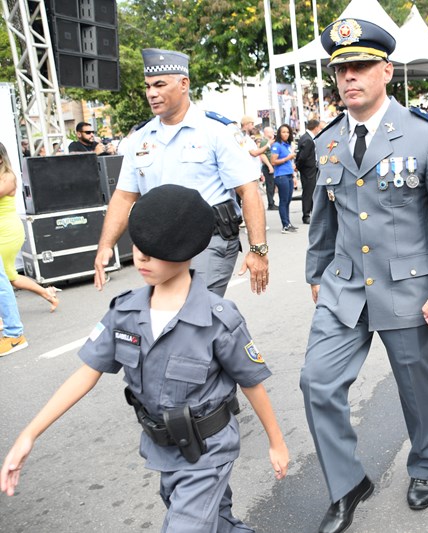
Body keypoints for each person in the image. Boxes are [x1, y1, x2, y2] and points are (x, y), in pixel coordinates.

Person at [0, 184, 289, 530]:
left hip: (209, 453)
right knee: (217, 521)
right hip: (164, 451)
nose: (141, 257)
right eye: (139, 246)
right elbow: (85, 374)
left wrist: (277, 441)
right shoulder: (125, 312)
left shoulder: (218, 318)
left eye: (156, 250)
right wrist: (29, 433)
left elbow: (251, 381)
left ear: (186, 251)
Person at [301, 18, 428, 533]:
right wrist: (316, 274)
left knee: (417, 388)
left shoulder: (425, 137)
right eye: (341, 70)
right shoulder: (328, 141)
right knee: (317, 382)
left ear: (385, 71)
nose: (349, 78)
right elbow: (321, 218)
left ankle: (424, 465)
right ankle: (347, 482)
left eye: (360, 67)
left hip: (408, 287)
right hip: (345, 286)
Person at [93, 48, 268, 298]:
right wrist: (105, 245)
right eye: (148, 86)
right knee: (172, 318)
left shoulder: (216, 131)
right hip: (159, 244)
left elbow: (247, 189)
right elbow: (123, 196)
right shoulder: (139, 139)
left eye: (160, 85)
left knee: (191, 314)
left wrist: (258, 250)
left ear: (183, 84)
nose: (151, 93)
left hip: (209, 242)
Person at [0, 142, 60, 315]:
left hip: (7, 231)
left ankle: (5, 318)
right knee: (11, 276)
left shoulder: (8, 177)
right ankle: (48, 294)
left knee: (5, 276)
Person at [271, 124, 298, 233]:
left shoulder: (286, 145)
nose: (286, 134)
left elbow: (289, 160)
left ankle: (288, 222)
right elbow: (273, 162)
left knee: (288, 200)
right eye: (283, 132)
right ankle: (285, 225)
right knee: (283, 200)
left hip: (288, 174)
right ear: (279, 133)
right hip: (281, 175)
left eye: (287, 132)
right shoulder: (276, 145)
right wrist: (288, 158)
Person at [296, 119, 324, 224]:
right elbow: (302, 157)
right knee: (308, 192)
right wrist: (299, 166)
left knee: (311, 192)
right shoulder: (308, 139)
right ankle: (306, 215)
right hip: (308, 170)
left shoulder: (307, 137)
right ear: (316, 127)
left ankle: (311, 212)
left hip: (310, 169)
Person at [260, 126, 279, 211]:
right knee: (270, 185)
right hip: (268, 166)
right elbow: (262, 154)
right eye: (271, 132)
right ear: (266, 133)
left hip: (272, 165)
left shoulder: (271, 142)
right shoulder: (264, 141)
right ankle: (271, 203)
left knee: (273, 185)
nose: (272, 133)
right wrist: (269, 166)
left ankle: (272, 202)